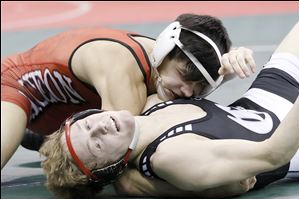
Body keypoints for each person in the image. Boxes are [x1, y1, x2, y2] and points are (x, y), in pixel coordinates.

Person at [39, 22, 298, 199]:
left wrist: (231, 61)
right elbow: (275, 153)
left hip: (266, 97)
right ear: (110, 168)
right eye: (96, 144)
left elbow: (189, 78)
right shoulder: (171, 158)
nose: (99, 127)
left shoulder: (150, 104)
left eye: (86, 126)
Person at [1, 13, 256, 169]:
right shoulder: (121, 68)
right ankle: (43, 134)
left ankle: (45, 134)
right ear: (165, 49)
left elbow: (179, 89)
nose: (188, 91)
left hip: (66, 105)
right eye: (183, 76)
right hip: (16, 86)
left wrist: (229, 70)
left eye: (201, 85)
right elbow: (114, 162)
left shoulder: (164, 69)